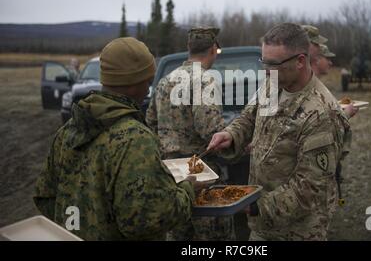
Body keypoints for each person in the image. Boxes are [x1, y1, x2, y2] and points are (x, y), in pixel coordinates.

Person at [34, 37, 195, 240]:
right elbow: (148, 219)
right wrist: (188, 190)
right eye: (147, 80)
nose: (148, 89)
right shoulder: (135, 139)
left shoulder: (68, 131)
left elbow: (45, 197)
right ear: (132, 82)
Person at [207, 23, 347, 240]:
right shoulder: (275, 81)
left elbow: (309, 188)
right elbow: (250, 115)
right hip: (263, 224)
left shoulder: (321, 114)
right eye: (263, 62)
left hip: (295, 231)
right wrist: (231, 135)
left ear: (300, 61)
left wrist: (254, 206)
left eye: (272, 64)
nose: (265, 70)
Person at [146, 27, 235, 241]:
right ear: (214, 49)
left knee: (178, 233)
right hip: (200, 172)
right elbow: (210, 129)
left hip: (171, 173)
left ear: (188, 48)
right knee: (214, 235)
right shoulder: (204, 80)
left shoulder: (165, 81)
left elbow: (150, 122)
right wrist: (235, 138)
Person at [304, 24, 358, 118]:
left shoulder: (309, 81)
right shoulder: (277, 77)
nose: (331, 63)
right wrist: (345, 115)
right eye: (316, 44)